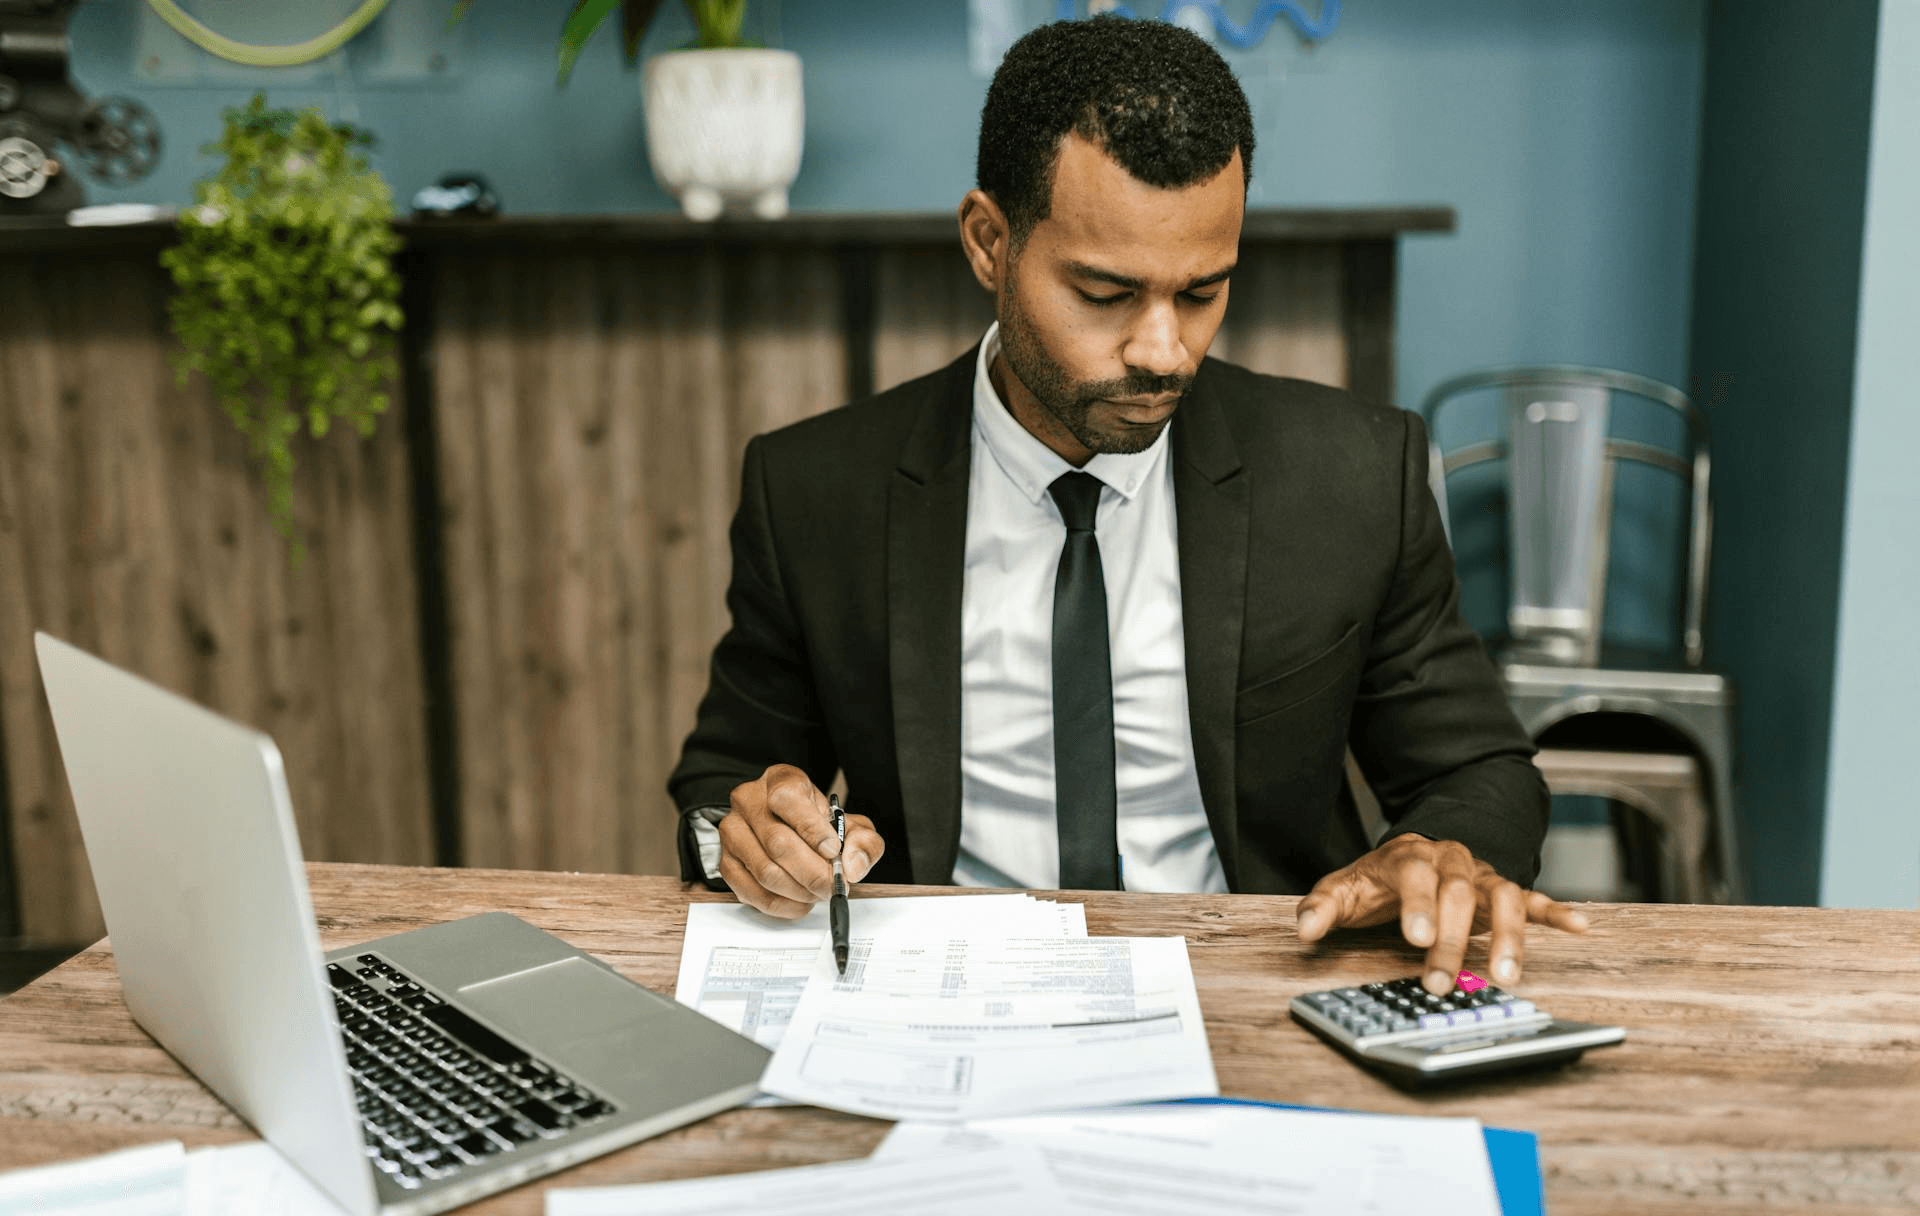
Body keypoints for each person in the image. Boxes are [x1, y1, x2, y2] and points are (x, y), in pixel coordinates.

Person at [670, 16, 1587, 995]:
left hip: (1261, 985)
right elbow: (725, 781)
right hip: (937, 994)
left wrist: (1440, 850)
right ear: (990, 242)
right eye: (1106, 293)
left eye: (1202, 292)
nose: (1163, 349)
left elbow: (1481, 771)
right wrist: (749, 836)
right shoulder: (817, 489)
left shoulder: (1356, 475)